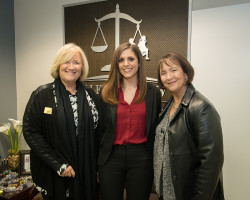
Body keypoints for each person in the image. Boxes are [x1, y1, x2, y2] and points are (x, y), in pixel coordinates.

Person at [23, 43, 99, 200]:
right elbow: (31, 131)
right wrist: (58, 164)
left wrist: (98, 168)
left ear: (82, 68)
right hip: (55, 172)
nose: (71, 67)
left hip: (87, 173)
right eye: (66, 61)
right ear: (58, 65)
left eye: (76, 62)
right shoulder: (42, 94)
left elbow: (99, 132)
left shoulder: (91, 95)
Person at [154, 53, 224, 200]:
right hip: (167, 193)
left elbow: (211, 163)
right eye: (163, 73)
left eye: (173, 70)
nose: (169, 77)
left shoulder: (201, 108)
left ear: (186, 74)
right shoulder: (170, 104)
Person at [97, 42, 161, 200]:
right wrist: (96, 165)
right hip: (111, 157)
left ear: (139, 62)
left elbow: (155, 129)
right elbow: (100, 131)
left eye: (131, 59)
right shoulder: (106, 92)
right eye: (121, 60)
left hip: (142, 157)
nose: (126, 64)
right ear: (116, 64)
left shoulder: (153, 93)